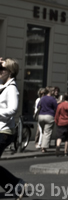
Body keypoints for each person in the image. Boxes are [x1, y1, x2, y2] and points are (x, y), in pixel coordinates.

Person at [0, 57, 32, 199]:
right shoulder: (2, 86)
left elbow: (13, 109)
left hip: (4, 131)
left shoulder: (12, 88)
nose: (0, 71)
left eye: (2, 69)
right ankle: (16, 185)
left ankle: (16, 184)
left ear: (10, 72)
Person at [37, 85, 57, 153]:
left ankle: (41, 144)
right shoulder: (52, 99)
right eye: (53, 91)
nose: (54, 92)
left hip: (41, 116)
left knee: (43, 132)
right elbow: (56, 107)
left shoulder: (42, 98)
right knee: (47, 132)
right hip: (49, 116)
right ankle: (43, 147)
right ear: (51, 91)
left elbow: (38, 106)